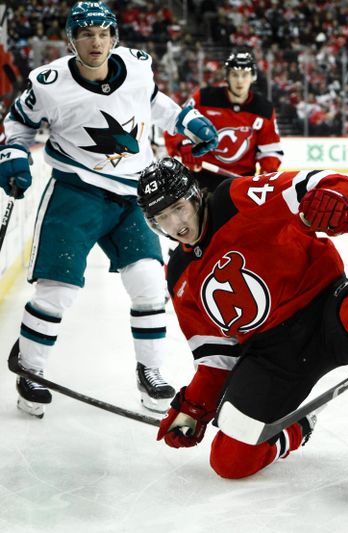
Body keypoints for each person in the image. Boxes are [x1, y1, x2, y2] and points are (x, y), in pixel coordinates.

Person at [136, 158, 348, 479]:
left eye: (179, 208)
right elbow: (215, 357)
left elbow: (326, 181)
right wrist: (193, 408)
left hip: (324, 312)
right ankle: (298, 429)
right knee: (230, 461)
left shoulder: (236, 198)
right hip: (271, 355)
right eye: (162, 217)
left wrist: (335, 198)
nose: (176, 224)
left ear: (195, 196)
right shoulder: (179, 275)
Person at [0, 1, 219, 418]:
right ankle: (31, 370)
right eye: (85, 33)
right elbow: (19, 120)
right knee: (57, 291)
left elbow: (153, 100)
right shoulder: (48, 83)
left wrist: (185, 121)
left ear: (115, 37)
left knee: (150, 284)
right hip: (75, 193)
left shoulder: (137, 66)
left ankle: (150, 372)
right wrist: (12, 151)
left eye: (103, 33)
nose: (95, 42)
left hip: (132, 196)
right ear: (72, 40)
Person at [163, 49, 283, 191]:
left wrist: (265, 178)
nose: (239, 80)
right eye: (234, 74)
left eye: (244, 75)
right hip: (202, 177)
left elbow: (270, 151)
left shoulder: (264, 109)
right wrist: (183, 144)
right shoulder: (204, 98)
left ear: (253, 77)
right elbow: (176, 123)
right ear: (227, 76)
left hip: (241, 182)